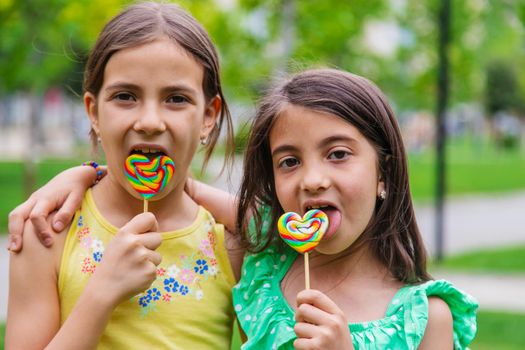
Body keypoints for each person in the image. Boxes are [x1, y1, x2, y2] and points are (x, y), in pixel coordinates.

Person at [9, 69, 478, 349]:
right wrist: (80, 175)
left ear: (384, 174)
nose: (313, 178)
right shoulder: (269, 259)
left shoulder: (426, 317)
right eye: (289, 161)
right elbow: (176, 185)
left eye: (338, 154)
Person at [6, 2, 244, 349]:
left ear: (209, 116)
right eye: (125, 96)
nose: (149, 121)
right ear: (94, 112)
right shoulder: (48, 230)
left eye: (176, 98)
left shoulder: (231, 242)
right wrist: (101, 294)